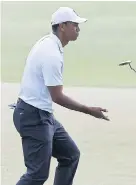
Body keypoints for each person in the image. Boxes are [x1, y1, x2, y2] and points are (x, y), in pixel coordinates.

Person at [13, 7, 109, 185]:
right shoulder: (51, 54)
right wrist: (89, 110)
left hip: (40, 114)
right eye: (75, 25)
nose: (78, 29)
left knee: (70, 155)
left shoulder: (50, 43)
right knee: (37, 175)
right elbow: (57, 96)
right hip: (34, 118)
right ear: (62, 26)